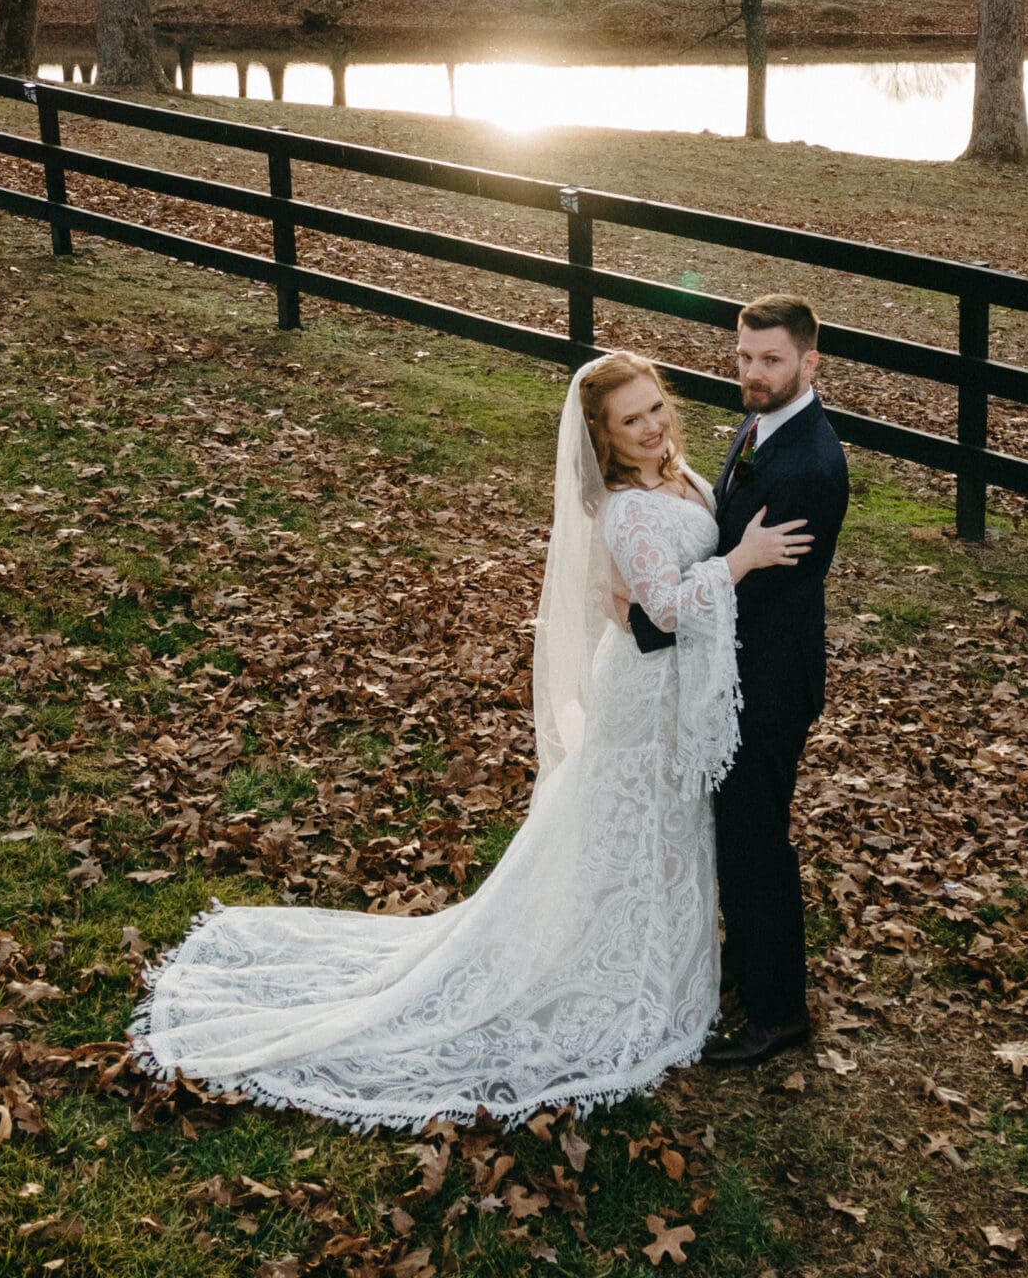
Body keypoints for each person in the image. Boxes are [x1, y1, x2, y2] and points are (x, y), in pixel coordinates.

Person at [126, 347, 815, 1128]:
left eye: (656, 407)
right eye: (632, 420)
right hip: (644, 700)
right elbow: (661, 608)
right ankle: (605, 969)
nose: (653, 427)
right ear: (603, 436)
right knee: (632, 830)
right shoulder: (624, 507)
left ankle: (662, 961)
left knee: (665, 830)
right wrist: (742, 560)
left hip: (672, 693)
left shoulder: (679, 474)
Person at [628, 294, 848, 1064]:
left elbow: (754, 585)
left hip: (771, 679)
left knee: (757, 842)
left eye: (772, 360)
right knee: (738, 835)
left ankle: (777, 1011)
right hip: (739, 666)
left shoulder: (812, 465)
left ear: (809, 362)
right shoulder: (763, 423)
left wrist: (653, 618)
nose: (753, 374)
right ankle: (754, 970)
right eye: (745, 357)